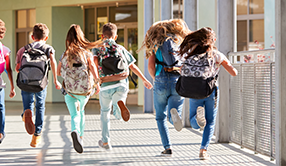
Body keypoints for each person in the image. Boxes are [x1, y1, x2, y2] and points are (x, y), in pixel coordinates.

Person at [178, 27, 237, 160]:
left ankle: (197, 119)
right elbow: (233, 72)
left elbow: (182, 70)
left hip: (194, 91)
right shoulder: (216, 55)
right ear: (213, 40)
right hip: (211, 91)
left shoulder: (191, 54)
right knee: (210, 122)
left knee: (194, 119)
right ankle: (203, 151)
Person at [93, 23, 153, 151]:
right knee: (118, 107)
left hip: (105, 85)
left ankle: (105, 142)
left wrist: (95, 80)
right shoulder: (120, 48)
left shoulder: (97, 48)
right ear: (115, 36)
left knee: (104, 112)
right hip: (121, 83)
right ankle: (119, 106)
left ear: (102, 36)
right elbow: (132, 66)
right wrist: (144, 80)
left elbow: (94, 64)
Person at [140, 19, 191, 156]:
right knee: (173, 111)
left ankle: (167, 147)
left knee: (160, 117)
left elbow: (151, 66)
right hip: (177, 80)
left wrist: (155, 79)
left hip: (161, 79)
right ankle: (175, 115)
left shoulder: (155, 43)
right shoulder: (178, 42)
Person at [57, 24, 101, 154]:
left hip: (69, 91)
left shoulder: (65, 54)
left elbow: (59, 72)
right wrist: (97, 83)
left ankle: (75, 130)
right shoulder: (86, 53)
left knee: (74, 115)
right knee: (81, 111)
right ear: (81, 37)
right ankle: (80, 138)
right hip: (84, 90)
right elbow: (92, 67)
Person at [16, 23, 61, 148]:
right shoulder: (48, 48)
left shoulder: (23, 49)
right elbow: (53, 61)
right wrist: (55, 80)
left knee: (28, 104)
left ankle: (25, 115)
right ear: (46, 38)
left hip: (25, 82)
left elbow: (17, 68)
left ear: (32, 36)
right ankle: (36, 135)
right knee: (40, 106)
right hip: (41, 83)